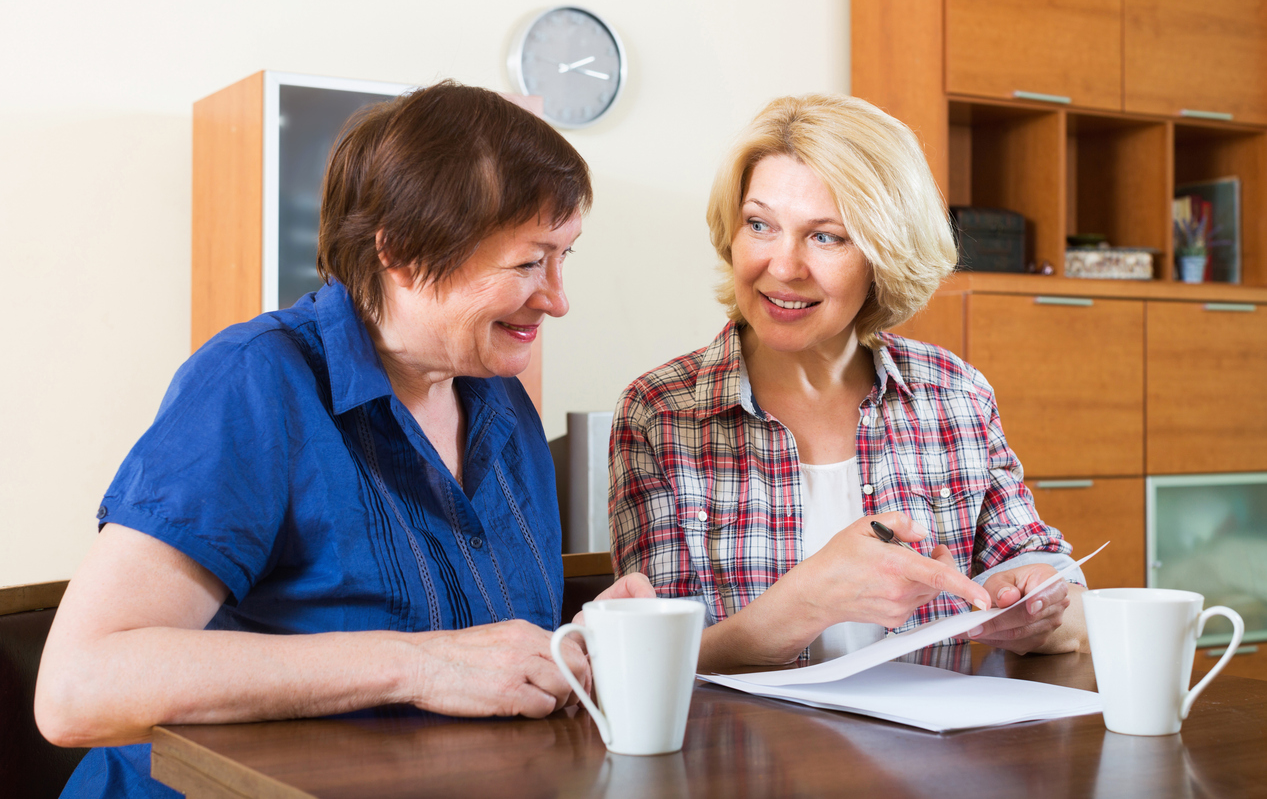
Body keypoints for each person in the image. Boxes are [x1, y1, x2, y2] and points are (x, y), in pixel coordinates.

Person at [36, 81, 652, 798]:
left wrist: (572, 651)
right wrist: (417, 664)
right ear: (399, 250)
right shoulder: (257, 381)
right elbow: (78, 687)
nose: (556, 298)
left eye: (562, 257)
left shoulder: (500, 401)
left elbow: (482, 662)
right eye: (526, 263)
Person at [608, 94, 1088, 671]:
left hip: (933, 756)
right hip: (741, 759)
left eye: (826, 237)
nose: (783, 266)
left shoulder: (955, 395)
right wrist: (810, 599)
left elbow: (1058, 595)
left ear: (884, 255)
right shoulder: (661, 413)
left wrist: (1034, 607)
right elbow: (652, 662)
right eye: (760, 225)